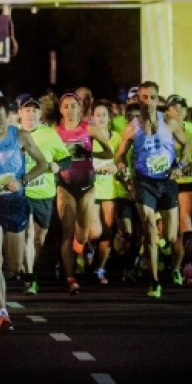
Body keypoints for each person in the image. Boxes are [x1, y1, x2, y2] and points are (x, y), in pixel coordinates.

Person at [0, 95, 48, 331]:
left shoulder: (20, 136)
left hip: (15, 204)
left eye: (0, 119)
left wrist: (22, 180)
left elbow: (42, 164)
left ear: (8, 115)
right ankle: (2, 311)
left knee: (13, 265)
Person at [115, 82, 192, 298]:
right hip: (144, 181)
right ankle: (154, 281)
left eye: (152, 97)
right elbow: (119, 156)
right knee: (149, 230)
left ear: (159, 100)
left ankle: (172, 263)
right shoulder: (132, 127)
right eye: (144, 97)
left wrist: (181, 166)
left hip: (167, 181)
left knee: (169, 235)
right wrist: (122, 168)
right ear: (138, 100)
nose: (148, 102)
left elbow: (187, 145)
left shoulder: (169, 122)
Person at [54, 91, 113, 295]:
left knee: (83, 234)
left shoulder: (89, 128)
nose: (70, 110)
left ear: (80, 109)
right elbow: (47, 155)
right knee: (67, 232)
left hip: (87, 186)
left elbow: (108, 152)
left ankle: (80, 250)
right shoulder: (56, 131)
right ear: (61, 110)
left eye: (74, 106)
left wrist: (89, 153)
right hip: (65, 185)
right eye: (66, 106)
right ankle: (71, 278)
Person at [18, 94, 71, 295]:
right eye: (27, 110)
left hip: (44, 192)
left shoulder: (49, 134)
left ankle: (29, 267)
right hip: (22, 193)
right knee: (28, 233)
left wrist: (59, 165)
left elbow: (66, 158)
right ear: (20, 113)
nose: (31, 114)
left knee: (39, 239)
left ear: (40, 114)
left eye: (34, 110)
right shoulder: (14, 134)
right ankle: (30, 277)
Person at [90, 99, 131, 286]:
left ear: (109, 117)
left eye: (104, 115)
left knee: (108, 230)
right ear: (92, 117)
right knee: (93, 233)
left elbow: (121, 160)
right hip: (90, 189)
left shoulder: (117, 138)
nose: (100, 118)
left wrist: (116, 167)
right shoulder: (88, 137)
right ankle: (88, 251)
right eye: (97, 115)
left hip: (110, 189)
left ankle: (100, 267)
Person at [164, 94, 192, 285]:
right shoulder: (163, 128)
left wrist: (187, 165)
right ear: (167, 111)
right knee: (170, 230)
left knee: (186, 223)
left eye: (182, 108)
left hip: (187, 180)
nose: (179, 111)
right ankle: (172, 265)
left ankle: (185, 265)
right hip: (166, 181)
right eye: (174, 108)